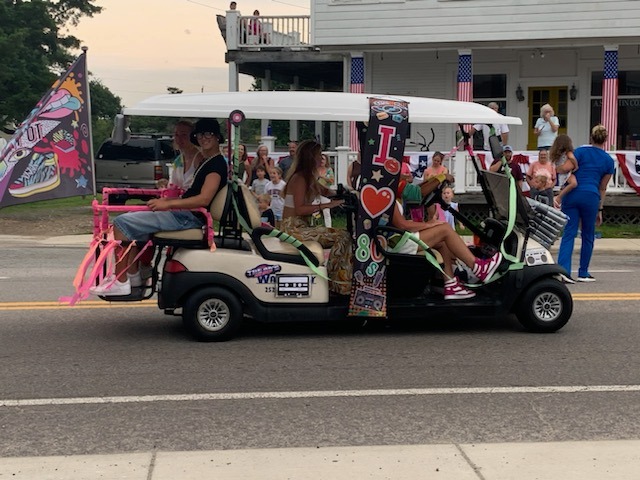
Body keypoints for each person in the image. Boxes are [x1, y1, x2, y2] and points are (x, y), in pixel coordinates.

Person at [90, 118, 228, 296]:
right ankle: (134, 277)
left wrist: (168, 203)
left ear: (217, 137)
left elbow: (203, 199)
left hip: (187, 217)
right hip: (184, 214)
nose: (203, 138)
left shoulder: (216, 165)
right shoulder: (208, 162)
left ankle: (121, 282)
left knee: (121, 223)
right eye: (200, 134)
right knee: (132, 225)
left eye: (208, 134)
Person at [389, 200, 504, 300]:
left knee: (442, 241)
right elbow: (401, 225)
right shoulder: (387, 194)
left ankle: (451, 284)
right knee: (445, 229)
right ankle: (478, 267)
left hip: (399, 238)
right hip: (396, 242)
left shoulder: (390, 192)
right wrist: (428, 225)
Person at [282, 140, 352, 295]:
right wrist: (327, 206)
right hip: (293, 229)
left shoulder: (308, 178)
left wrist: (349, 193)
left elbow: (327, 192)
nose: (321, 158)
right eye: (318, 155)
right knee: (343, 236)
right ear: (310, 157)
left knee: (342, 234)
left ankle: (337, 281)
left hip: (299, 226)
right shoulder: (299, 178)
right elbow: (300, 209)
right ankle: (336, 283)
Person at [557, 125, 615, 283]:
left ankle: (563, 270)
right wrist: (600, 209)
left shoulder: (581, 151)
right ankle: (583, 272)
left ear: (591, 137)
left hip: (573, 193)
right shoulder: (608, 161)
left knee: (569, 233)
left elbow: (566, 168)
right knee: (588, 235)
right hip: (591, 196)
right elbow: (602, 187)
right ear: (605, 140)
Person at [156, 120, 203, 192]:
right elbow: (173, 184)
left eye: (184, 135)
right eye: (176, 135)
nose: (179, 139)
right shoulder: (178, 160)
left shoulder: (199, 158)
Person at [548, 134, 579, 208]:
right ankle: (559, 197)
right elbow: (572, 158)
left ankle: (557, 197)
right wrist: (576, 165)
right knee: (574, 183)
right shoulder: (568, 152)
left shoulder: (556, 154)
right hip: (566, 174)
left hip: (558, 174)